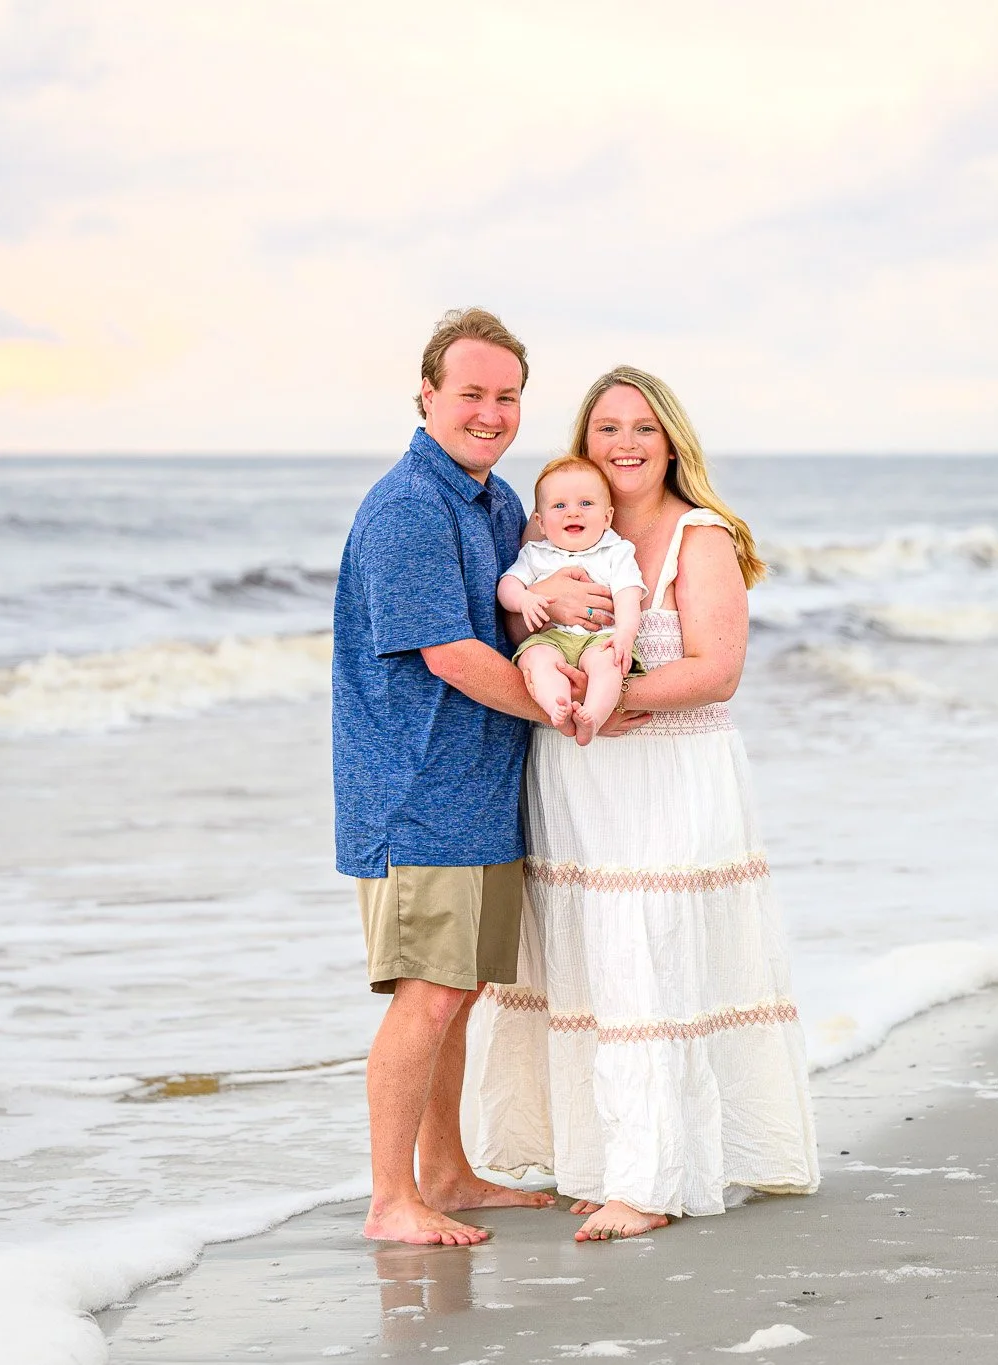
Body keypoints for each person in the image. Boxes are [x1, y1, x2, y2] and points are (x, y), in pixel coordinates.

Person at [470, 365, 821, 1241]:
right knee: (590, 963)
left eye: (642, 428)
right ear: (582, 445)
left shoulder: (699, 537)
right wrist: (537, 616)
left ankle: (655, 1177)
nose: (624, 444)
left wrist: (624, 698)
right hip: (578, 772)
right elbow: (519, 631)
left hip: (667, 767)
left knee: (652, 958)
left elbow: (719, 667)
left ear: (671, 442)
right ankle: (605, 1162)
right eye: (607, 428)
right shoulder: (558, 531)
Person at [330, 308, 605, 1246]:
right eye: (470, 394)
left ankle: (445, 1169)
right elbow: (449, 654)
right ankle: (389, 1199)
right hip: (416, 793)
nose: (489, 413)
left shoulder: (490, 501)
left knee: (462, 989)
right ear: (426, 395)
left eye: (506, 397)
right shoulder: (410, 506)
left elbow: (514, 607)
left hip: (482, 787)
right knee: (429, 991)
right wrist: (568, 712)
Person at [498, 456, 646, 744]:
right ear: (540, 522)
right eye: (559, 506)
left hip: (599, 638)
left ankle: (593, 716)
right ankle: (558, 707)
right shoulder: (535, 554)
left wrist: (625, 635)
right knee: (536, 659)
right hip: (551, 638)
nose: (573, 513)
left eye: (586, 504)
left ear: (607, 517)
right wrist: (525, 599)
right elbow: (507, 585)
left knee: (609, 664)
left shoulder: (617, 552)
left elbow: (629, 595)